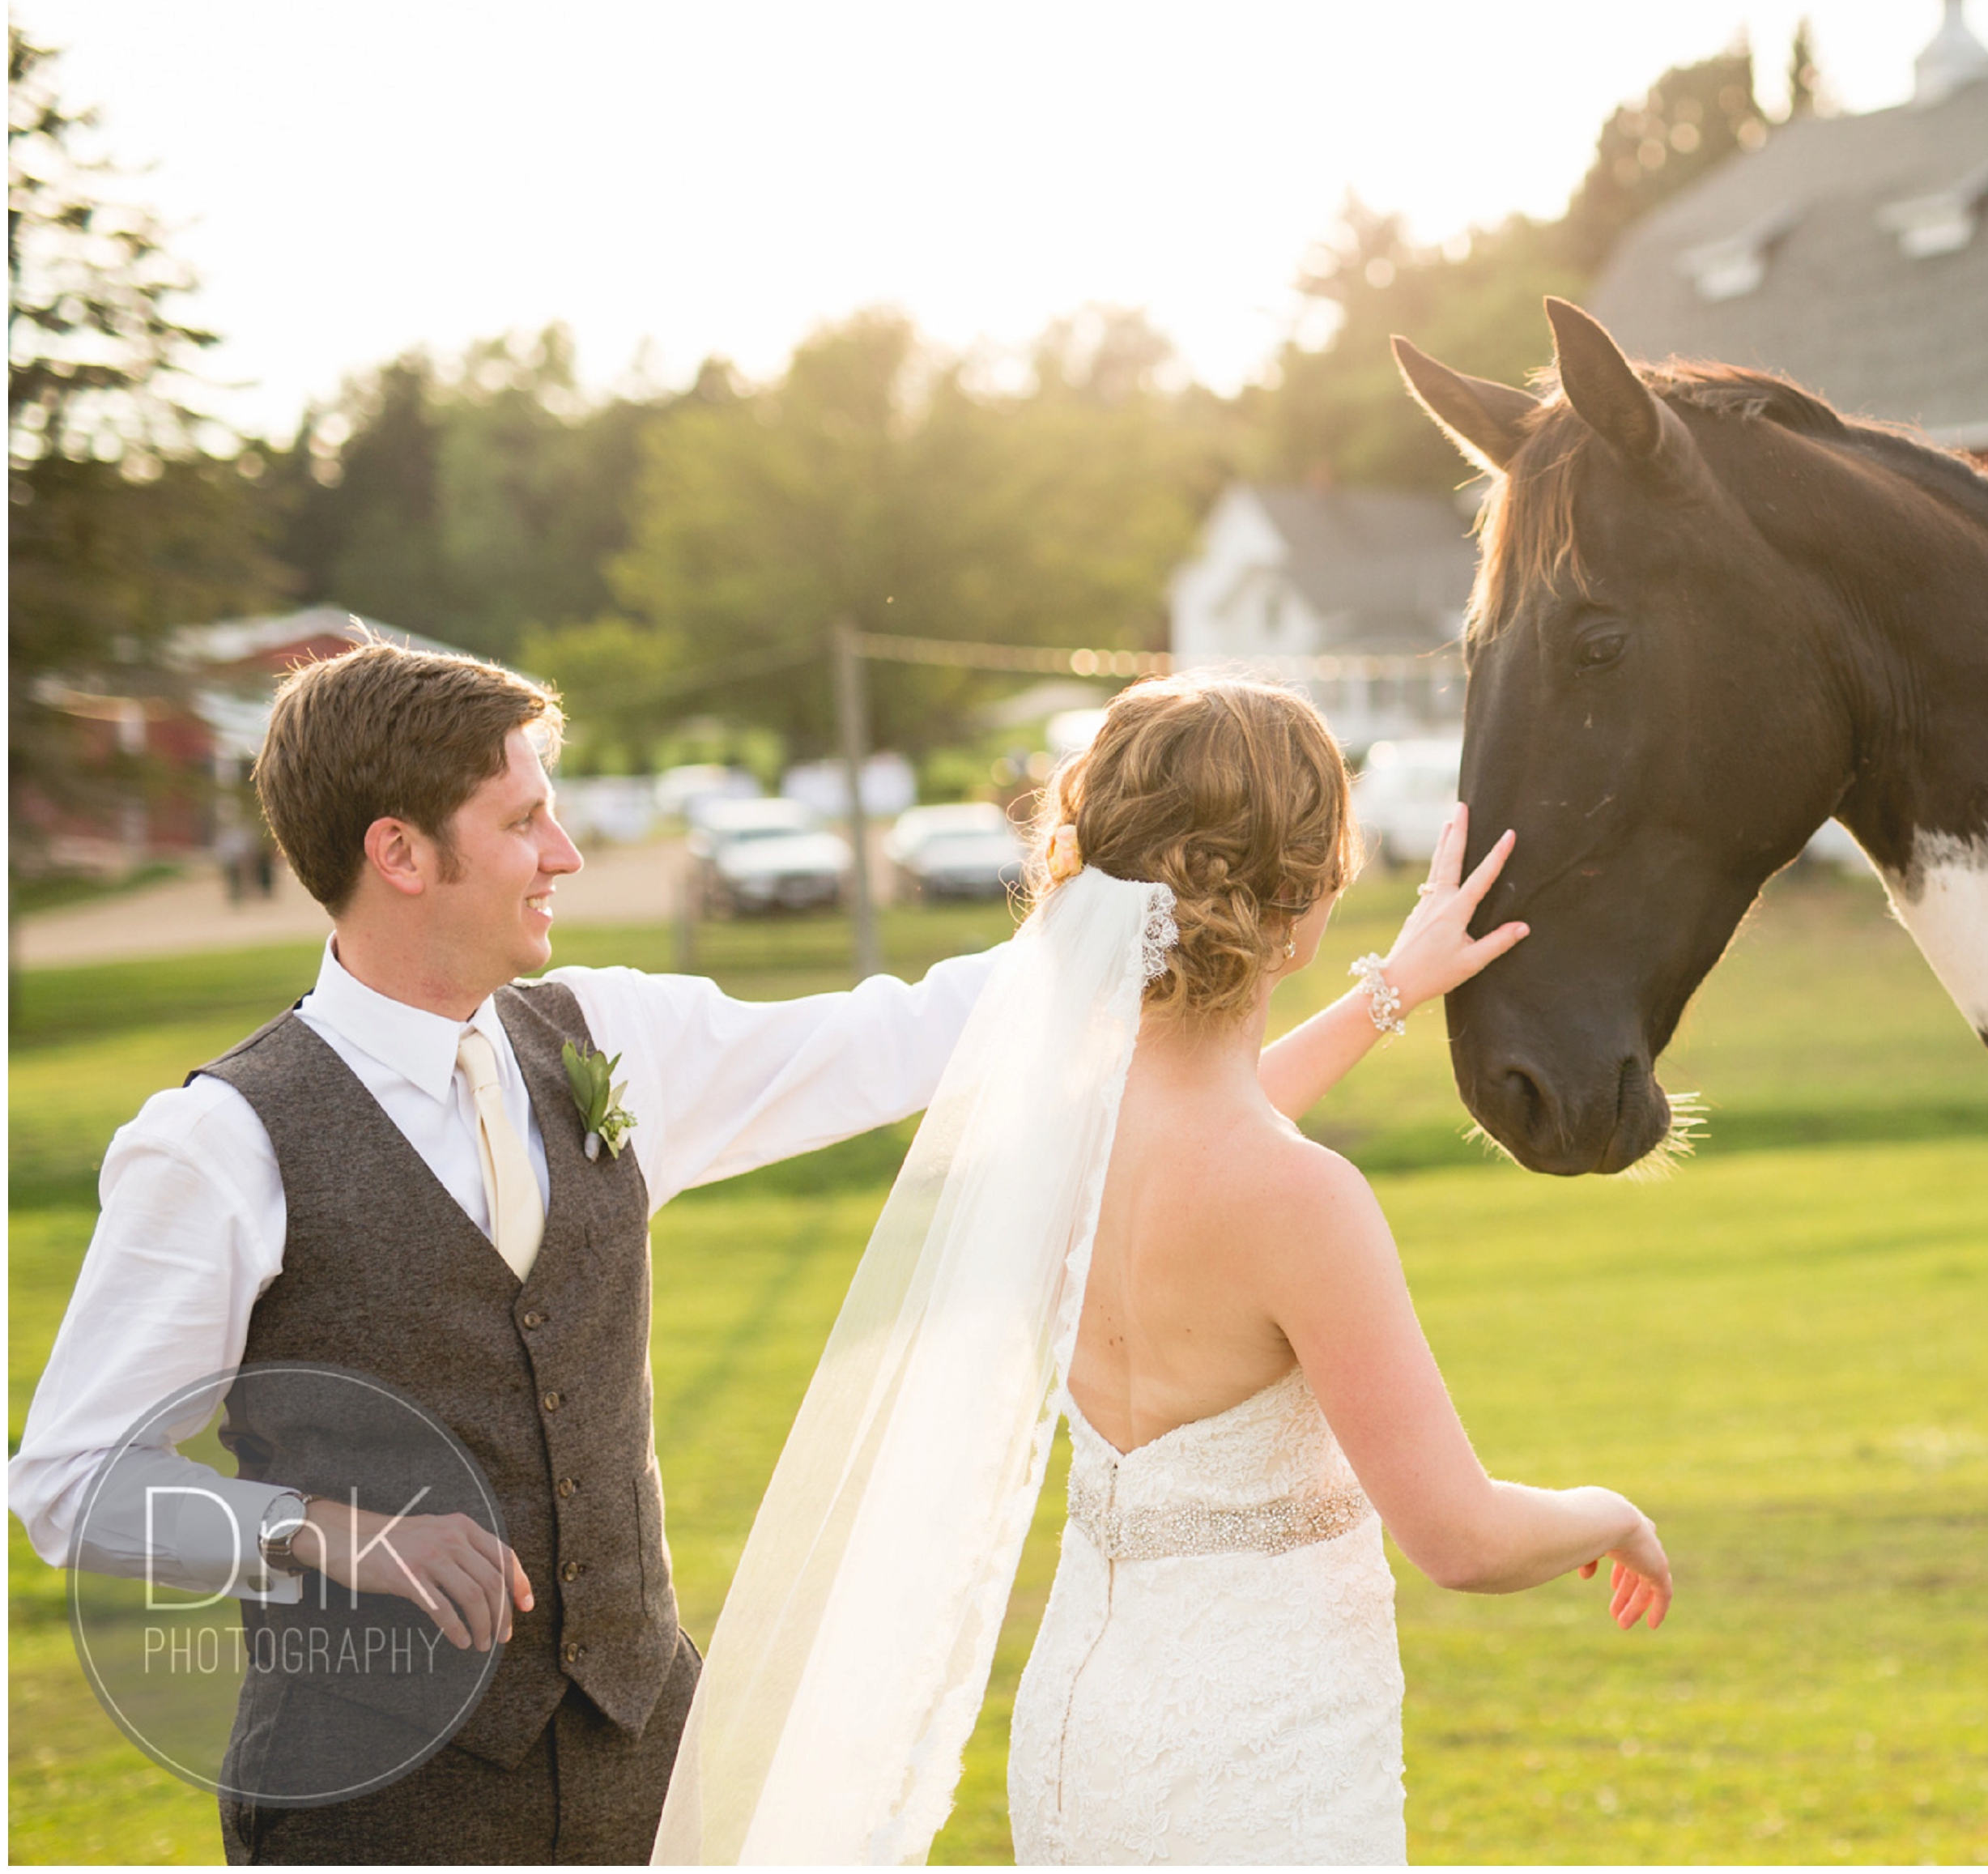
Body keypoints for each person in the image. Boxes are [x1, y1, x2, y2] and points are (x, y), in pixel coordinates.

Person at [5, 643, 1470, 1863]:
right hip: (375, 1797)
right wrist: (338, 1538)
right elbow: (71, 1486)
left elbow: (919, 1025)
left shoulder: (610, 1037)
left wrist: (1289, 938)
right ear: (398, 853)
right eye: (523, 822)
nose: (566, 853)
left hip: (653, 1768)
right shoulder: (217, 1146)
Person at [659, 676, 1670, 1865]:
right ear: (1304, 904)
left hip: (1082, 1741)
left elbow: (1209, 1128)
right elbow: (1463, 1538)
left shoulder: (1053, 1141)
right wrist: (1615, 1513)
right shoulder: (1299, 1201)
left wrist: (1389, 993)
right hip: (1264, 1764)